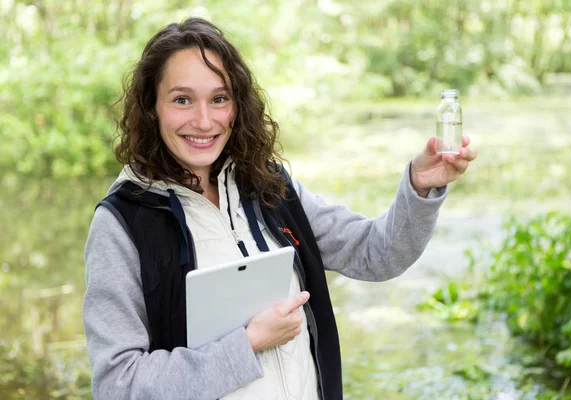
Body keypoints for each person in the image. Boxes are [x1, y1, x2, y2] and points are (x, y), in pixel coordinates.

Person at [82, 17, 477, 400]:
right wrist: (248, 343)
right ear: (152, 108)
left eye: (219, 99)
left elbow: (378, 255)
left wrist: (421, 187)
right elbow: (118, 386)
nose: (204, 121)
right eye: (182, 100)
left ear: (237, 107)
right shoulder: (121, 224)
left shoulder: (269, 186)